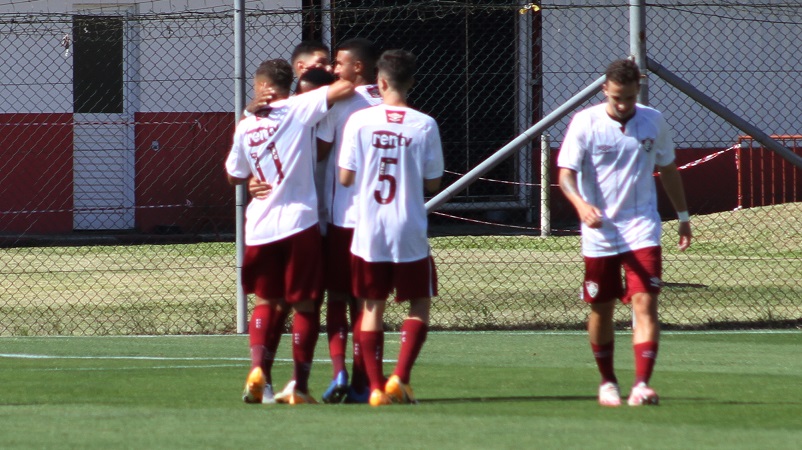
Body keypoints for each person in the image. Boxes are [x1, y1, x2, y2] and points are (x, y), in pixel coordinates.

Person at [556, 58, 692, 407]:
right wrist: (580, 205)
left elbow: (669, 168)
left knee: (646, 303)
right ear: (604, 90)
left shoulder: (653, 121)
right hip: (599, 232)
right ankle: (607, 382)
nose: (622, 105)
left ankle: (642, 385)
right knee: (601, 307)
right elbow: (566, 176)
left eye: (629, 98)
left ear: (637, 93)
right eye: (616, 97)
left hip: (642, 227)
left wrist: (682, 216)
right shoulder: (585, 123)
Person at [225, 58, 354, 405]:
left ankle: (257, 372)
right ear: (286, 86)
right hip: (299, 223)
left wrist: (252, 174)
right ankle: (298, 385)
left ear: (261, 87)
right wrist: (334, 74)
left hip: (260, 227)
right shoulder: (298, 107)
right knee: (306, 306)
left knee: (267, 301)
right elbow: (345, 89)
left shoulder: (247, 121)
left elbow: (233, 174)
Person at [338, 49, 444, 406]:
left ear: (380, 82)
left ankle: (376, 389)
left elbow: (345, 175)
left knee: (371, 306)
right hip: (408, 227)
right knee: (419, 303)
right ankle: (401, 377)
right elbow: (433, 182)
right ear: (411, 83)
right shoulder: (424, 123)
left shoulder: (359, 121)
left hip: (368, 228)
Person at [315, 37, 383, 404]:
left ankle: (339, 368)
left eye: (339, 62)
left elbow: (317, 152)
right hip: (379, 221)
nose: (333, 68)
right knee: (371, 303)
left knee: (338, 298)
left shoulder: (340, 103)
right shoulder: (391, 103)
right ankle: (365, 382)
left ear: (358, 67)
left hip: (343, 217)